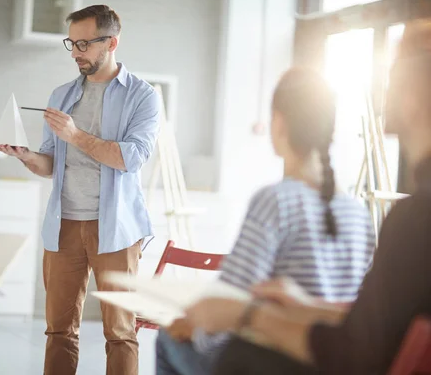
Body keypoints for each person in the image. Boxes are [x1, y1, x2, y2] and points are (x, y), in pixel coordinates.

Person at [184, 19, 431, 375]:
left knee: (179, 346)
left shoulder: (415, 218)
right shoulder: (364, 212)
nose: (382, 88)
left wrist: (249, 315)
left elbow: (356, 352)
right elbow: (381, 321)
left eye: (392, 74)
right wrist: (308, 307)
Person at [155, 67, 376, 375]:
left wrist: (195, 329)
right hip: (328, 360)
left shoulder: (276, 201)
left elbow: (230, 299)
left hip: (273, 361)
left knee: (168, 339)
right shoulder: (357, 212)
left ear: (279, 123)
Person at [0, 4, 160, 375]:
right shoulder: (62, 94)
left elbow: (132, 157)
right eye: (72, 43)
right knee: (58, 331)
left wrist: (75, 134)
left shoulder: (142, 96)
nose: (76, 53)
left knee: (119, 332)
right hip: (64, 224)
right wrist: (24, 156)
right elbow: (52, 164)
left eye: (85, 44)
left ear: (112, 42)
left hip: (116, 229)